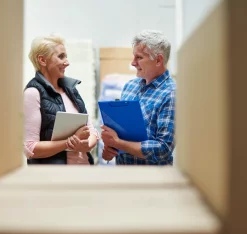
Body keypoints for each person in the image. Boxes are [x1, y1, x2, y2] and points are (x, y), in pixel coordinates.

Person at [101, 30, 176, 165]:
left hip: (153, 181)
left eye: (139, 58)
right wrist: (110, 148)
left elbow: (163, 148)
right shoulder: (130, 87)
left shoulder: (171, 94)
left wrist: (119, 143)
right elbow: (122, 134)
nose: (133, 63)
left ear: (158, 60)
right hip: (124, 176)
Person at [23, 35, 98, 165]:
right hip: (56, 177)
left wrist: (86, 145)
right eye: (61, 56)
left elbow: (92, 131)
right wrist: (70, 142)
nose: (67, 62)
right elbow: (30, 148)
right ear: (42, 60)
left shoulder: (71, 90)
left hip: (84, 172)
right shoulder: (33, 93)